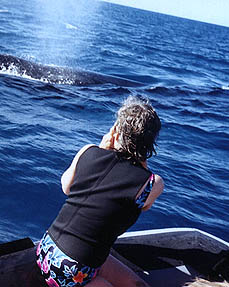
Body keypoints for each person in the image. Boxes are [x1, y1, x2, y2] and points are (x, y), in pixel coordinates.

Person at [36, 95, 164, 287]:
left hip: (46, 250)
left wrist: (101, 149)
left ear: (116, 130)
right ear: (150, 142)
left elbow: (66, 187)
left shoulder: (88, 150)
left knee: (133, 283)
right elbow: (143, 205)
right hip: (76, 268)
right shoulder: (152, 182)